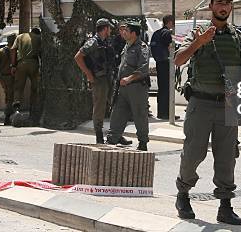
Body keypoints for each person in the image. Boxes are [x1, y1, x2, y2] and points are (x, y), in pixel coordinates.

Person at [174, 0, 241, 225]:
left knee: (227, 157)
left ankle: (225, 206)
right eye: (220, 3)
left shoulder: (237, 37)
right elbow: (178, 59)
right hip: (201, 103)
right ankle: (183, 195)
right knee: (194, 152)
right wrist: (199, 42)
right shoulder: (197, 33)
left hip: (227, 105)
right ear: (211, 7)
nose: (224, 7)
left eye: (228, 4)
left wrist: (239, 84)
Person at [106, 21, 150, 150]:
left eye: (127, 30)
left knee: (139, 115)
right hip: (123, 88)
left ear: (134, 33)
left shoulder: (142, 47)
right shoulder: (127, 46)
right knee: (118, 113)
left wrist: (130, 78)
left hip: (136, 88)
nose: (123, 32)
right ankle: (112, 139)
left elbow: (143, 68)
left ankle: (143, 142)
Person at [75, 19, 115, 143]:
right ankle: (99, 134)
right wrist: (89, 75)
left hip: (108, 77)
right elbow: (78, 57)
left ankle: (115, 133)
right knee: (100, 107)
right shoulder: (93, 42)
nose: (110, 30)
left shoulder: (106, 42)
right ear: (105, 28)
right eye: (109, 28)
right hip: (99, 79)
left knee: (115, 105)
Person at [11, 27, 42, 122]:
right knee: (35, 87)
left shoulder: (20, 37)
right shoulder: (38, 38)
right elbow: (41, 52)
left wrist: (13, 65)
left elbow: (13, 50)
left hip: (21, 63)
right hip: (34, 63)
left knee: (18, 88)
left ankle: (16, 109)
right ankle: (33, 109)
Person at [150, 15, 175, 120]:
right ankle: (167, 113)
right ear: (169, 22)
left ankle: (161, 112)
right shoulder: (167, 33)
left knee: (161, 89)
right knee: (167, 88)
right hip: (166, 63)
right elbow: (171, 48)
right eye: (172, 22)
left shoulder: (156, 33)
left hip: (159, 63)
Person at [0, 33, 17, 125]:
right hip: (10, 77)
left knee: (8, 95)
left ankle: (9, 114)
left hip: (2, 76)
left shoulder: (0, 51)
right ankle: (7, 117)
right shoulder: (15, 51)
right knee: (10, 97)